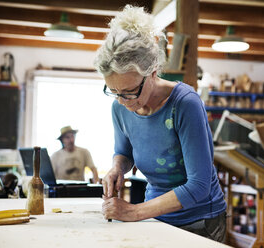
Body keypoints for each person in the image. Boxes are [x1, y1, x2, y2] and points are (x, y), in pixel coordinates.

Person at [94, 5, 227, 242]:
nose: (123, 101)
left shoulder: (185, 104)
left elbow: (199, 186)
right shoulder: (119, 108)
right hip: (155, 215)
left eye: (130, 91)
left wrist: (135, 211)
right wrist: (116, 168)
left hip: (200, 220)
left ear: (153, 72)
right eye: (113, 91)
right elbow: (124, 153)